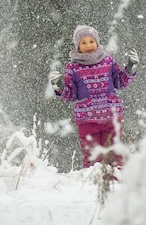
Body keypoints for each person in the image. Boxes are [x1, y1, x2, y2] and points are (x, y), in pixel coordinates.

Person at [49, 25, 139, 169]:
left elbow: (120, 83)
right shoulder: (73, 68)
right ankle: (92, 186)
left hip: (111, 116)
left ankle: (115, 185)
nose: (88, 45)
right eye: (83, 43)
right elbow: (71, 94)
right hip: (87, 120)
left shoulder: (108, 61)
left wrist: (130, 68)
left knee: (113, 154)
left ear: (97, 42)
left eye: (91, 41)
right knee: (93, 157)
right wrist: (59, 87)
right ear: (78, 46)